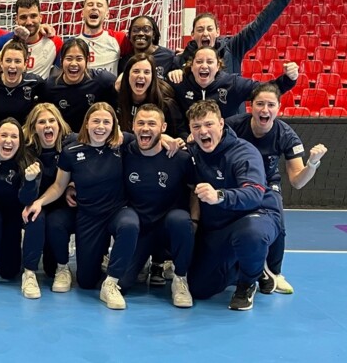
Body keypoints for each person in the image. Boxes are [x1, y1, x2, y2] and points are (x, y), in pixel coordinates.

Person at [23, 103, 139, 310]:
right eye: (96, 121)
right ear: (87, 123)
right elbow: (59, 186)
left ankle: (111, 284)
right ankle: (75, 266)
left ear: (114, 125)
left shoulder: (123, 143)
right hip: (88, 216)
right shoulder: (71, 151)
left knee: (130, 224)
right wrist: (39, 202)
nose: (101, 126)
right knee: (85, 281)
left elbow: (150, 136)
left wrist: (168, 139)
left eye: (106, 121)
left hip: (117, 211)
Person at [226, 83, 328, 295]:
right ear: (250, 106)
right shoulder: (233, 126)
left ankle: (275, 272)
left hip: (267, 185)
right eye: (260, 104)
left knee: (277, 218)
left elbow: (297, 181)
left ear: (278, 108)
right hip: (237, 183)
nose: (265, 109)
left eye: (270, 105)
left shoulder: (286, 135)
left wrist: (313, 164)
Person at [186, 100, 283, 311]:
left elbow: (254, 194)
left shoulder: (243, 152)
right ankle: (252, 267)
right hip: (220, 226)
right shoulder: (193, 152)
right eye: (196, 127)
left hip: (256, 215)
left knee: (251, 235)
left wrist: (220, 195)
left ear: (221, 124)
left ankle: (247, 283)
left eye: (209, 124)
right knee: (199, 289)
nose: (203, 131)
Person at [119, 104, 197, 308]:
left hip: (168, 228)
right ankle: (143, 262)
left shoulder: (180, 157)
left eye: (152, 124)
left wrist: (195, 221)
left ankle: (180, 278)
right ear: (133, 127)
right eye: (141, 123)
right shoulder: (125, 152)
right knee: (123, 283)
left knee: (181, 220)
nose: (145, 128)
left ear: (163, 127)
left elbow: (194, 189)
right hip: (140, 229)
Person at [173, 0, 305, 76]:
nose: (205, 33)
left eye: (209, 29)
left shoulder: (233, 48)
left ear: (217, 32)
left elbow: (261, 24)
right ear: (192, 35)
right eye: (200, 30)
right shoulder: (182, 59)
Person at [0, 118, 43, 298]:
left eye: (14, 136)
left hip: (14, 215)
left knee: (9, 271)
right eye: (3, 135)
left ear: (20, 142)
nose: (8, 140)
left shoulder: (28, 162)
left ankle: (29, 272)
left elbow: (26, 199)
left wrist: (30, 182)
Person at [21, 103, 76, 293]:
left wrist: (73, 184)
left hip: (61, 204)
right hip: (34, 202)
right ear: (34, 127)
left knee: (51, 269)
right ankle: (29, 273)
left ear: (59, 124)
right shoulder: (26, 148)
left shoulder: (72, 144)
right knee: (35, 217)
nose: (47, 125)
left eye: (52, 120)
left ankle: (62, 268)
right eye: (41, 122)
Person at [170, 46, 297, 122]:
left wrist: (289, 78)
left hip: (225, 145)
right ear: (191, 66)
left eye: (209, 61)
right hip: (188, 143)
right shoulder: (180, 83)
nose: (204, 65)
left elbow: (267, 90)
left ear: (218, 66)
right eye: (199, 61)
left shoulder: (233, 84)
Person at [40, 38, 118, 132]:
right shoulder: (49, 86)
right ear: (61, 61)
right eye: (69, 58)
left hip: (93, 138)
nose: (73, 63)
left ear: (87, 60)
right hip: (64, 140)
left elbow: (124, 83)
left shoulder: (102, 81)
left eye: (79, 59)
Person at [0, 39, 44, 136]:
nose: (12, 66)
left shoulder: (34, 82)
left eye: (17, 61)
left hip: (23, 138)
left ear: (25, 64)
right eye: (8, 60)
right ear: (1, 63)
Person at [117, 53, 186, 139]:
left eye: (146, 72)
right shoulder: (117, 99)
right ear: (127, 75)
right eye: (136, 71)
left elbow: (181, 134)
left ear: (153, 77)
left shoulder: (166, 104)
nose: (141, 76)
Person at [0, 0, 62, 79]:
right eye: (23, 17)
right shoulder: (3, 42)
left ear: (40, 17)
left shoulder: (55, 43)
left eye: (33, 16)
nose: (29, 22)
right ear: (16, 19)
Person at [74, 0, 131, 75]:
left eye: (99, 5)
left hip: (109, 87)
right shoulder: (73, 43)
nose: (94, 7)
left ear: (107, 15)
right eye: (90, 4)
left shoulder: (119, 38)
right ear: (82, 13)